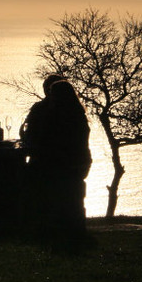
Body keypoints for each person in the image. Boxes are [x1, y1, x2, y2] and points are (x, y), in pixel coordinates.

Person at [22, 77, 92, 241]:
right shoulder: (79, 116)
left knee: (31, 173)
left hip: (64, 165)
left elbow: (39, 141)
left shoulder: (53, 116)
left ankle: (37, 225)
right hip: (80, 164)